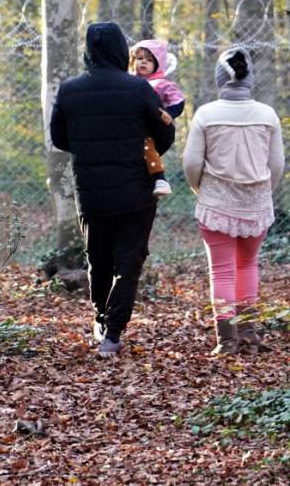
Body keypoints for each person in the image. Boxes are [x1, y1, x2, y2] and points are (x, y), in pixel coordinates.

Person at [50, 22, 175, 357]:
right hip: (137, 192)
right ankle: (113, 334)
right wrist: (144, 155)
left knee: (99, 260)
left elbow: (60, 139)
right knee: (128, 263)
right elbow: (163, 133)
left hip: (90, 192)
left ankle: (100, 320)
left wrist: (90, 148)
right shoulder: (138, 89)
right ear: (122, 49)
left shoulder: (69, 90)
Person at [182, 46, 284, 355]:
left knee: (222, 270)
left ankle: (226, 339)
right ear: (249, 78)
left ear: (219, 79)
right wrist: (266, 191)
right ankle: (249, 333)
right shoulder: (267, 115)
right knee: (248, 265)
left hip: (215, 203)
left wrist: (199, 189)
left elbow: (190, 163)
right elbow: (277, 164)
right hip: (256, 204)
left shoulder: (206, 114)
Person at [129, 40, 186, 197]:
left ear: (158, 64)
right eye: (140, 59)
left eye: (149, 60)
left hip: (151, 126)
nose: (144, 62)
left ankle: (159, 178)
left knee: (147, 146)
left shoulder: (161, 83)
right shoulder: (128, 82)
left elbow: (178, 100)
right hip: (131, 125)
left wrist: (170, 113)